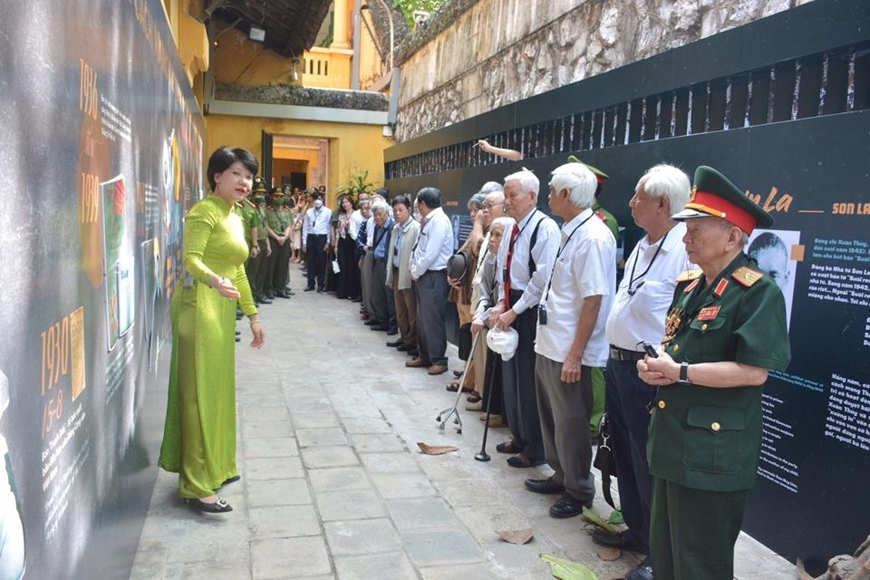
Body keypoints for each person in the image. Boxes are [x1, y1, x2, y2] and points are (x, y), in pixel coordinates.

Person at [637, 165, 791, 579]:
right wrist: (658, 368)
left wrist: (680, 371)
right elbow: (677, 349)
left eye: (696, 230)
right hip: (672, 441)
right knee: (667, 556)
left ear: (732, 236)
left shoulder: (758, 292)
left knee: (700, 563)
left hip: (712, 453)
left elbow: (754, 371)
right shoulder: (690, 285)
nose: (685, 239)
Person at [594, 164, 693, 580]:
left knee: (649, 462)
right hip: (618, 365)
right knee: (626, 457)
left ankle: (659, 553)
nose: (631, 203)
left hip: (647, 373)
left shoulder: (682, 250)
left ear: (662, 204)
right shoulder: (644, 244)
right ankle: (637, 531)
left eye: (638, 197)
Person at [158, 146, 266, 513]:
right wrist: (214, 281)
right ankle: (196, 485)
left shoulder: (235, 215)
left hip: (221, 311)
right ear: (217, 176)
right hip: (198, 309)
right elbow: (191, 259)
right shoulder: (203, 212)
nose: (244, 182)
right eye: (236, 173)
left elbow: (238, 269)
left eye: (249, 176)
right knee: (198, 396)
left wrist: (252, 316)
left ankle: (218, 466)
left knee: (218, 393)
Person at [524, 162, 615, 518]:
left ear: (566, 194)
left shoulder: (593, 236)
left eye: (551, 191)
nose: (548, 197)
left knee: (572, 423)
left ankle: (578, 489)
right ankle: (560, 475)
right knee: (551, 418)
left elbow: (594, 300)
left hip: (568, 350)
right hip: (551, 341)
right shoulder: (570, 230)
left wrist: (576, 355)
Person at [490, 169, 560, 468]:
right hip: (512, 302)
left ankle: (535, 447)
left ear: (532, 196)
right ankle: (519, 435)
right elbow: (505, 268)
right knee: (512, 376)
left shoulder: (544, 228)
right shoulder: (511, 228)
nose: (508, 202)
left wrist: (514, 310)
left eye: (513, 196)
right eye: (505, 196)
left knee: (529, 380)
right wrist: (503, 301)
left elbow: (541, 278)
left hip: (529, 309)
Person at [408, 187, 454, 376]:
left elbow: (431, 254)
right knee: (422, 318)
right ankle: (424, 355)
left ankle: (438, 360)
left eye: (417, 204)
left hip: (434, 275)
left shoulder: (439, 222)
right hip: (423, 274)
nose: (416, 208)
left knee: (433, 319)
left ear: (423, 204)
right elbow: (419, 248)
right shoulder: (428, 220)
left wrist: (416, 271)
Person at [471, 215, 512, 426]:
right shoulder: (490, 258)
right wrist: (480, 313)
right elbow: (485, 291)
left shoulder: (511, 260)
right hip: (490, 317)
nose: (493, 239)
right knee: (490, 365)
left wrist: (487, 315)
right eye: (491, 234)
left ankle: (503, 414)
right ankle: (490, 406)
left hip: (505, 320)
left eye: (498, 235)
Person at [446, 192, 487, 393]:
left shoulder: (486, 231)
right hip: (462, 293)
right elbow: (462, 255)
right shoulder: (475, 230)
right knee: (465, 338)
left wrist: (478, 225)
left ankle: (471, 381)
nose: (473, 214)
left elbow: (478, 250)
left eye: (476, 210)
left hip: (474, 297)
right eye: (470, 210)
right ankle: (467, 374)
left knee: (472, 340)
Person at [386, 195, 420, 351]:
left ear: (409, 210)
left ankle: (412, 340)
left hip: (408, 274)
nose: (397, 213)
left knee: (410, 308)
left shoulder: (415, 228)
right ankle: (404, 335)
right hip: (397, 270)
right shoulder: (395, 228)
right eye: (395, 210)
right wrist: (391, 275)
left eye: (401, 210)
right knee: (400, 308)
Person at [369, 201, 397, 332]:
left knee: (389, 296)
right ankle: (382, 321)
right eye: (375, 215)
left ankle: (392, 325)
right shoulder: (377, 227)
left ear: (386, 213)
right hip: (377, 262)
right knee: (378, 294)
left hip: (386, 264)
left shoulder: (392, 227)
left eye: (379, 214)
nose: (377, 217)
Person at [303, 192, 332, 292]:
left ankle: (320, 284)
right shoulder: (309, 212)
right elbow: (305, 227)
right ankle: (310, 284)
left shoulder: (328, 212)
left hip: (322, 238)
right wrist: (304, 242)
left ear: (323, 199)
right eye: (316, 199)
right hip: (311, 237)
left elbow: (328, 227)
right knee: (311, 262)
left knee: (321, 262)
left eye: (319, 198)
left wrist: (328, 241)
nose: (317, 201)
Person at [334, 194, 360, 300]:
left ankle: (351, 292)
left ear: (351, 203)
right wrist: (335, 244)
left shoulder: (356, 214)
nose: (345, 204)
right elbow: (338, 231)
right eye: (343, 202)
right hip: (342, 241)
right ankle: (342, 291)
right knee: (342, 267)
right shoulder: (341, 215)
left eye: (347, 202)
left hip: (352, 242)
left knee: (351, 267)